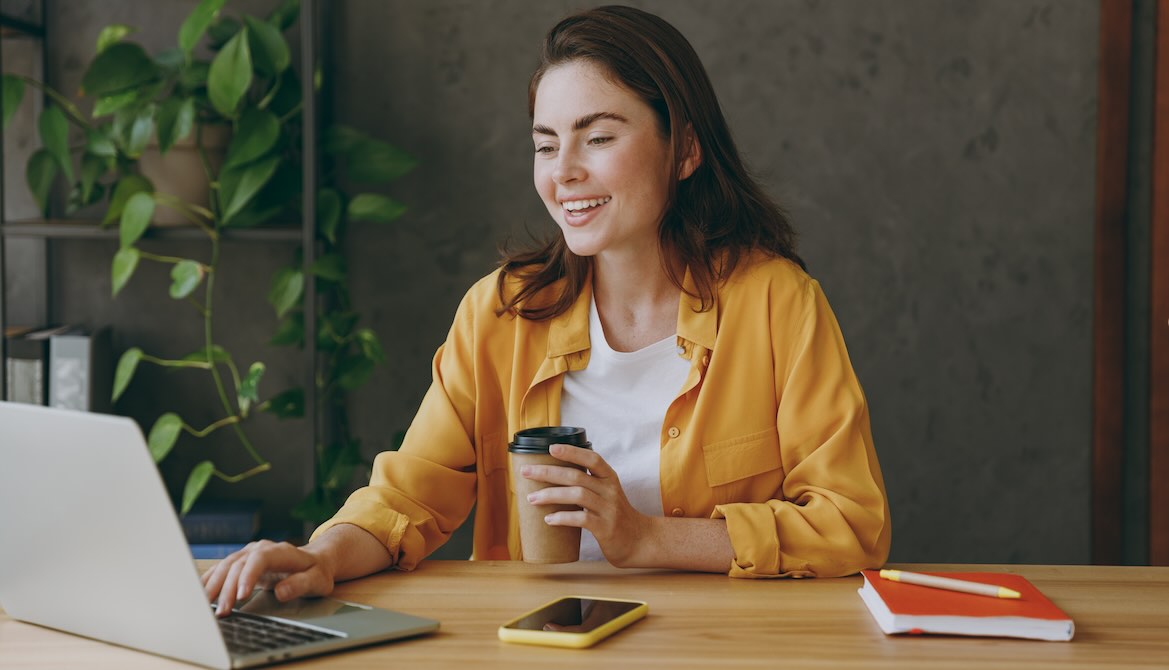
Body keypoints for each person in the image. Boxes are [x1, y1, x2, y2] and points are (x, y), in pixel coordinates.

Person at [203, 4, 891, 616]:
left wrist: (644, 536)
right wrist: (323, 555)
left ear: (683, 149)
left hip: (719, 646)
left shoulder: (776, 304)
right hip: (532, 647)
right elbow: (408, 501)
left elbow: (849, 525)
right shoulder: (499, 313)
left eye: (597, 138)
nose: (562, 170)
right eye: (544, 143)